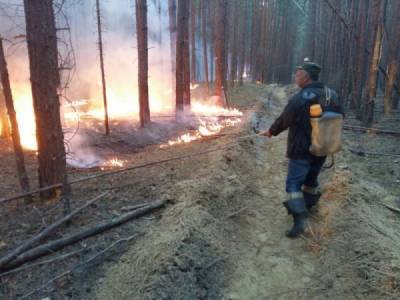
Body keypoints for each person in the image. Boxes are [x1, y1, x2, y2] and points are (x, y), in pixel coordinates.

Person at [261, 62, 343, 238]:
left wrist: (271, 131)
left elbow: (285, 120)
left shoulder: (300, 98)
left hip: (301, 149)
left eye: (298, 75)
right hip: (324, 146)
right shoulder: (332, 94)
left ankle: (299, 222)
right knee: (311, 179)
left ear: (306, 76)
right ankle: (308, 207)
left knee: (293, 184)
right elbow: (342, 115)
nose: (295, 77)